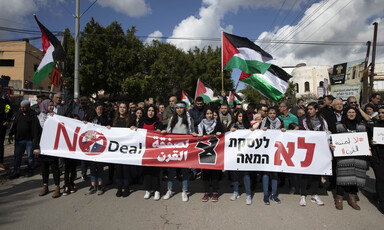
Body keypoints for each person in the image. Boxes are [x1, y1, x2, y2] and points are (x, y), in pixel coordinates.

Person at [332, 107, 368, 210]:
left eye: (353, 112)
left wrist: (368, 146)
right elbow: (333, 138)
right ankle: (339, 198)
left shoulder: (362, 126)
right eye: (349, 112)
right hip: (344, 158)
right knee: (342, 178)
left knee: (355, 179)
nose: (351, 114)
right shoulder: (338, 125)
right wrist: (332, 145)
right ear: (345, 114)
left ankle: (352, 198)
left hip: (358, 158)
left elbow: (367, 139)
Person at [163, 102, 194, 202]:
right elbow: (168, 131)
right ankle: (169, 189)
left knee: (185, 171)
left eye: (181, 108)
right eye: (177, 108)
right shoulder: (172, 119)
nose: (179, 110)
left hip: (184, 148)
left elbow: (191, 131)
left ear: (184, 109)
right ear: (175, 109)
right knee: (171, 170)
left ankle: (184, 191)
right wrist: (164, 133)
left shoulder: (188, 119)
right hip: (173, 147)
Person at [299, 102, 328, 207]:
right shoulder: (305, 121)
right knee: (306, 173)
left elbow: (325, 134)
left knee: (316, 173)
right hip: (307, 149)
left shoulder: (322, 121)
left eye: (311, 109)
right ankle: (303, 195)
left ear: (316, 110)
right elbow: (308, 134)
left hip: (319, 150)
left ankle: (314, 194)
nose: (309, 111)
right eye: (308, 109)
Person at [195, 107, 223, 202]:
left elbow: (224, 135)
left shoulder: (218, 124)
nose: (209, 115)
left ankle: (215, 193)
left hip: (215, 151)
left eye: (211, 113)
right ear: (205, 115)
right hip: (204, 151)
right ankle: (206, 192)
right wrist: (197, 134)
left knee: (214, 173)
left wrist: (221, 133)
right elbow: (197, 136)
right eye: (207, 113)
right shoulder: (201, 125)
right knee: (205, 173)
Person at [83, 102, 111, 196]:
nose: (100, 110)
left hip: (100, 144)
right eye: (98, 108)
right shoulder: (90, 117)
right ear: (95, 108)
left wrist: (100, 116)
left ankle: (100, 185)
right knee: (92, 167)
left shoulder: (104, 117)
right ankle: (92, 185)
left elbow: (106, 126)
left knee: (99, 167)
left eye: (101, 109)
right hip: (90, 145)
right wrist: (84, 123)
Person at [35, 99, 61, 198]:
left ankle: (57, 186)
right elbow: (36, 134)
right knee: (44, 167)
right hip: (42, 147)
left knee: (54, 167)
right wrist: (36, 147)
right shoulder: (38, 118)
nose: (51, 107)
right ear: (45, 106)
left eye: (52, 105)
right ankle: (45, 186)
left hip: (52, 146)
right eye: (49, 105)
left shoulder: (55, 117)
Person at [138, 105, 163, 201]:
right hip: (145, 150)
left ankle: (156, 190)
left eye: (153, 111)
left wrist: (160, 132)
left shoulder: (158, 123)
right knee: (146, 170)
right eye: (149, 110)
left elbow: (162, 135)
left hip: (155, 150)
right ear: (146, 111)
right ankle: (148, 189)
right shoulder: (141, 122)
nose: (151, 112)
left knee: (155, 171)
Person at [9, 100, 40, 178]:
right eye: (21, 107)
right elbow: (14, 125)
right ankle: (16, 171)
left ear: (28, 107)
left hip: (29, 140)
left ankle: (30, 170)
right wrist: (11, 134)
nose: (22, 109)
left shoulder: (33, 116)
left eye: (24, 107)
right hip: (19, 140)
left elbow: (36, 130)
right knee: (17, 156)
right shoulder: (18, 115)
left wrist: (35, 140)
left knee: (30, 157)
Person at [228, 109, 253, 205]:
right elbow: (226, 136)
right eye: (239, 116)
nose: (241, 118)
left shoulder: (248, 126)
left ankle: (248, 194)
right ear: (236, 116)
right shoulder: (232, 125)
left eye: (242, 116)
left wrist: (252, 131)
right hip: (235, 154)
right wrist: (230, 131)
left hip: (245, 154)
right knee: (235, 174)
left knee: (246, 174)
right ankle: (235, 192)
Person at [260, 107, 284, 205]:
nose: (272, 115)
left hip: (276, 151)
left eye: (274, 113)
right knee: (266, 174)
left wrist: (283, 131)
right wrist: (262, 130)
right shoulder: (264, 122)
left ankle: (273, 194)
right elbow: (258, 137)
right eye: (270, 113)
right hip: (266, 151)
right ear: (267, 114)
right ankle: (265, 195)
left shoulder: (280, 122)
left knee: (275, 174)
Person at [112, 102, 132, 197]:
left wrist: (134, 128)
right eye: (121, 107)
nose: (122, 109)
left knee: (126, 169)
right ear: (118, 109)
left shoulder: (130, 120)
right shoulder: (114, 120)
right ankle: (119, 187)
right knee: (118, 169)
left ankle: (126, 187)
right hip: (117, 149)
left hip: (127, 148)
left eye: (124, 107)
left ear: (127, 109)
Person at [369, 106, 384, 214]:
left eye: (383, 112)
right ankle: (382, 202)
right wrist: (372, 142)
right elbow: (369, 139)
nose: (381, 115)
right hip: (377, 157)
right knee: (380, 179)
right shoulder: (375, 126)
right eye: (379, 113)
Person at [0, 84, 12, 170]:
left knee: (0, 144)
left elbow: (10, 112)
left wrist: (7, 121)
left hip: (1, 125)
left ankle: (0, 162)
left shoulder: (5, 101)